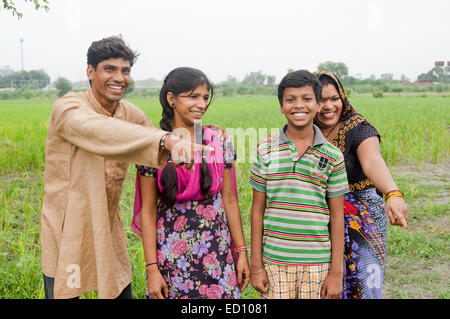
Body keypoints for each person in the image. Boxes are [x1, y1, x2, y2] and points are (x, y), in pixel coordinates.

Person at [40, 36, 210, 299]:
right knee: (66, 290)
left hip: (107, 224)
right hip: (69, 228)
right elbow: (99, 129)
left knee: (119, 289)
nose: (119, 77)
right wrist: (164, 140)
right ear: (90, 72)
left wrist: (205, 133)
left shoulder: (129, 113)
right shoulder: (69, 107)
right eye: (110, 69)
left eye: (125, 70)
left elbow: (158, 137)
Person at [132, 67, 250, 299]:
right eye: (193, 96)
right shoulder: (154, 146)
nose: (202, 104)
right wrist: (152, 268)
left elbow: (230, 200)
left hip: (217, 254)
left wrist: (241, 252)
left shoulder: (219, 142)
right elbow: (148, 211)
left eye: (205, 97)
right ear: (171, 99)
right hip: (171, 257)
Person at [249, 70, 348, 299]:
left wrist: (336, 273)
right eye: (290, 100)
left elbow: (337, 216)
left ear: (317, 104)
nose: (298, 105)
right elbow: (257, 210)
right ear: (282, 106)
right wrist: (256, 266)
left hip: (317, 265)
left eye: (306, 98)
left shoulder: (333, 156)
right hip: (274, 263)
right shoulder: (266, 150)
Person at [313, 70, 409, 299]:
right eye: (320, 99)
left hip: (361, 219)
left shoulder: (358, 127)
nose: (328, 106)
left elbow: (372, 160)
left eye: (334, 98)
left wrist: (392, 192)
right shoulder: (304, 129)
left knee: (363, 285)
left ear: (343, 97)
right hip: (319, 220)